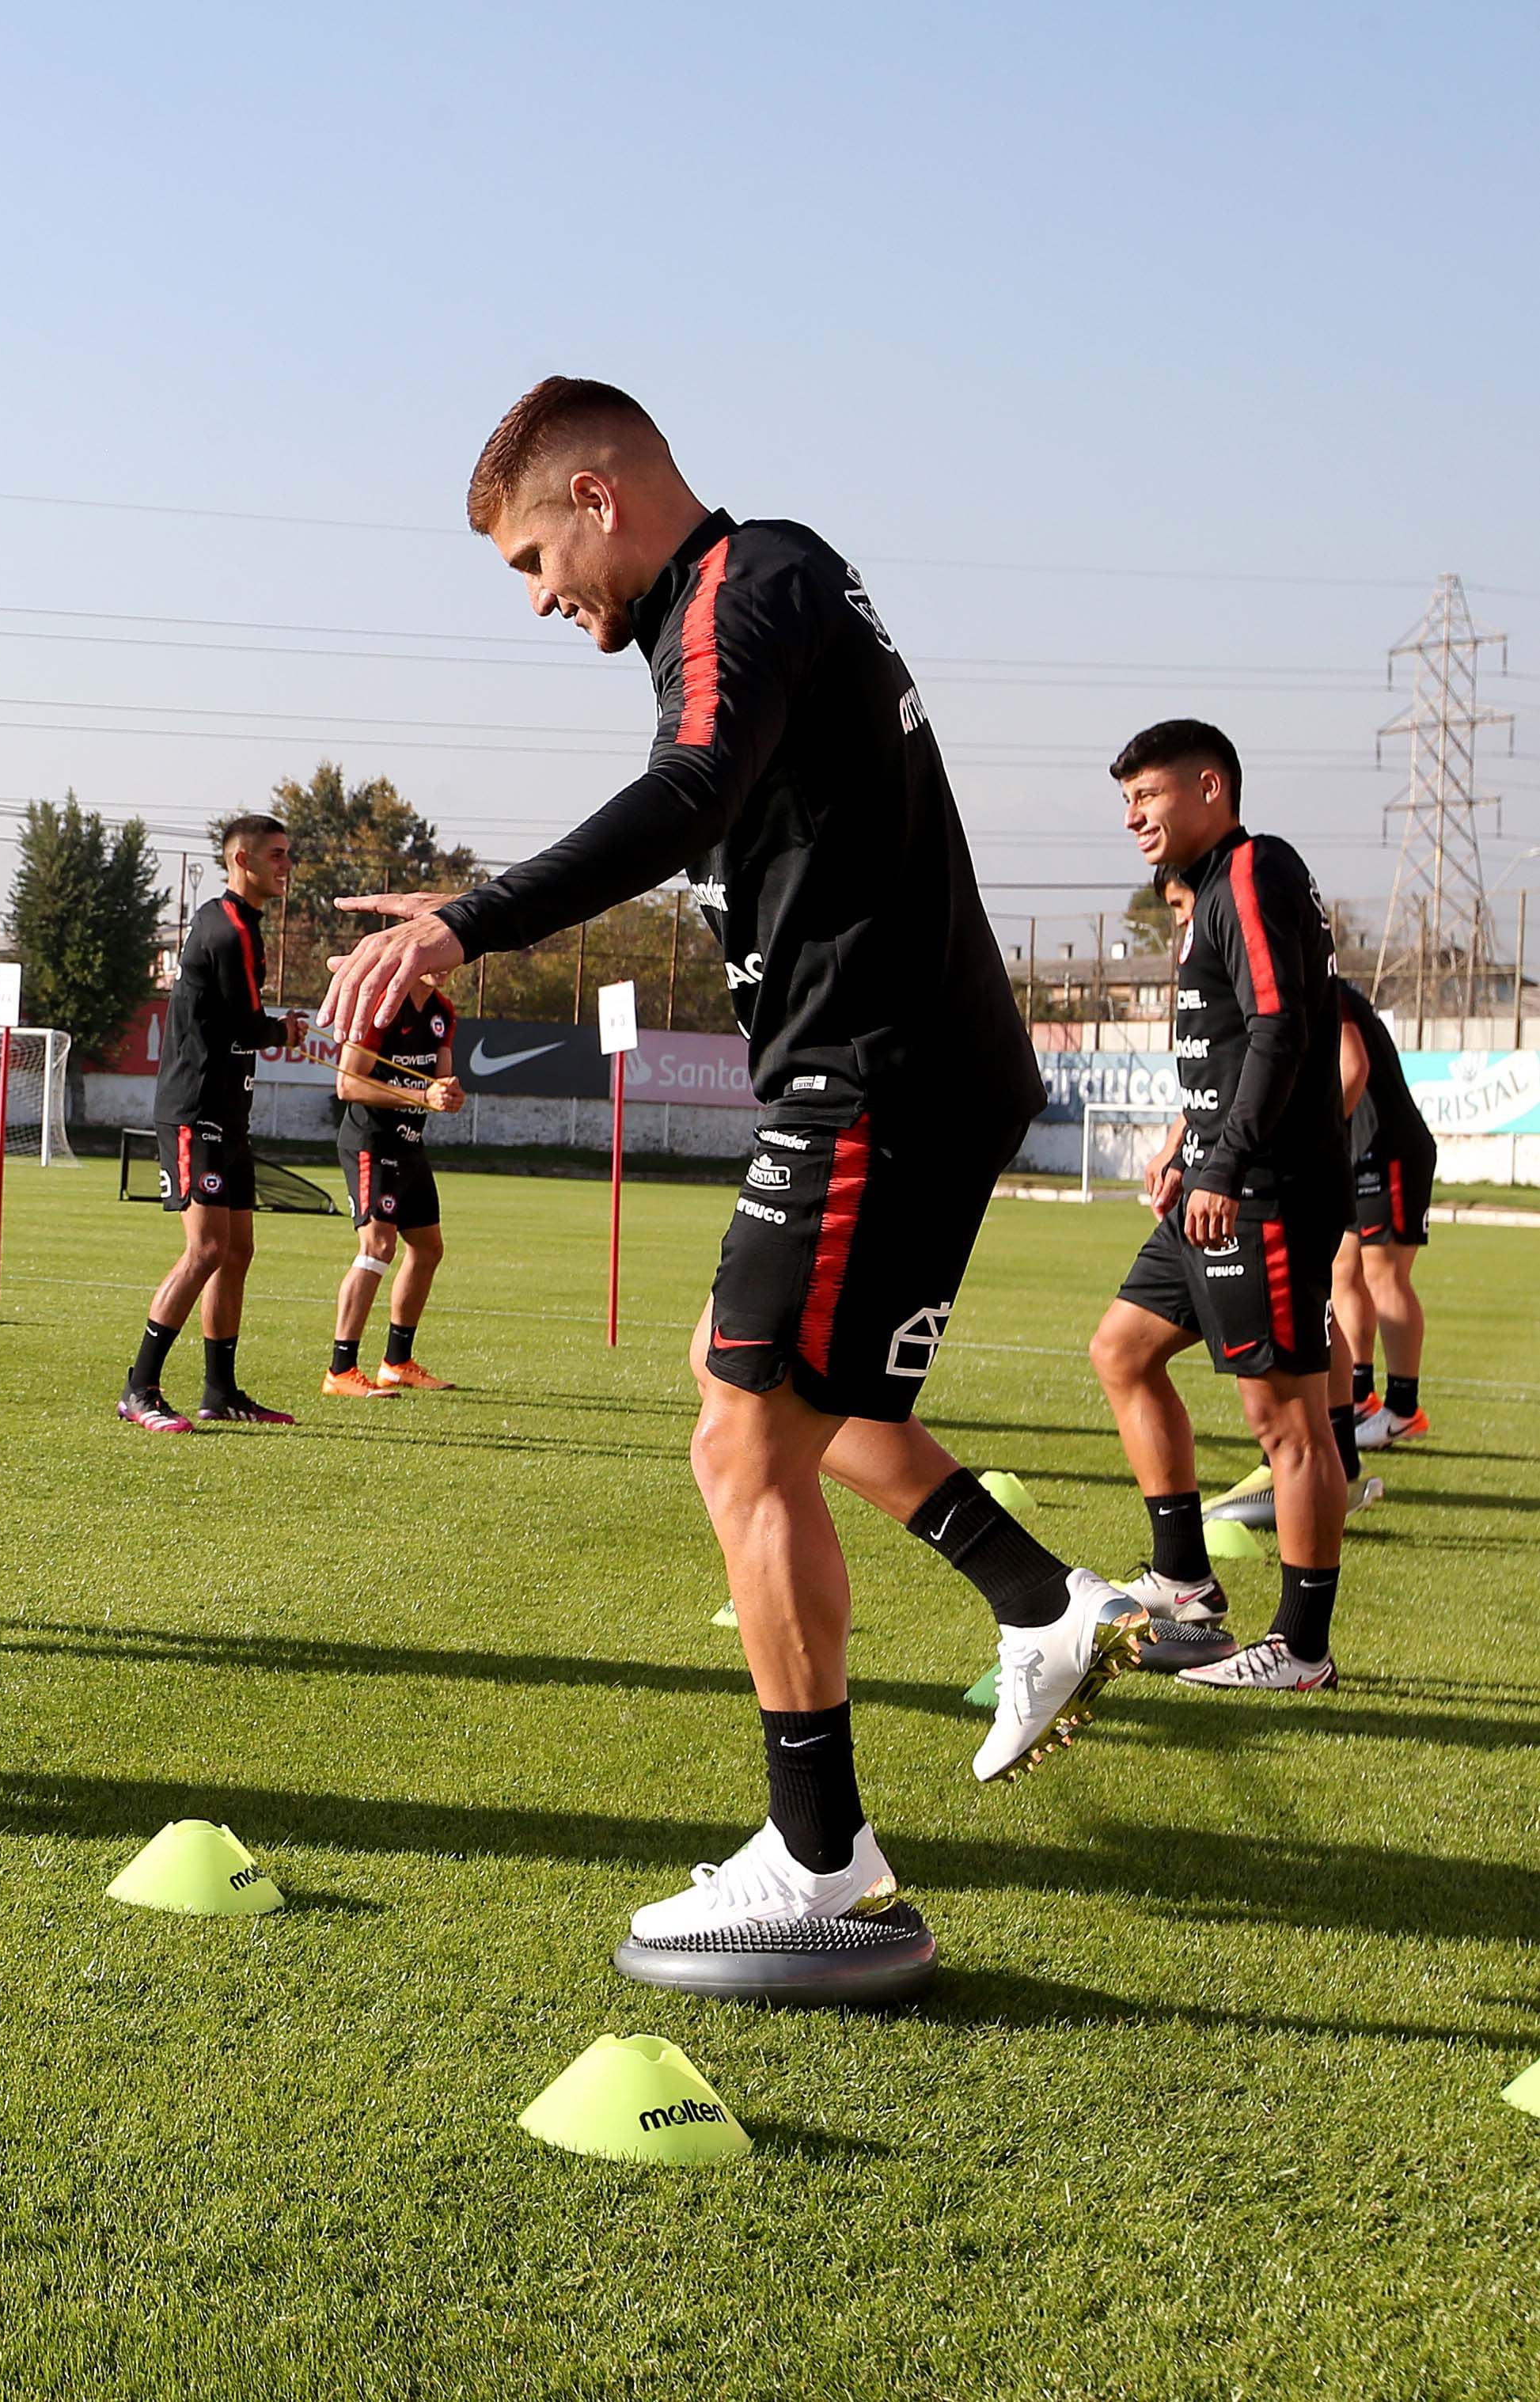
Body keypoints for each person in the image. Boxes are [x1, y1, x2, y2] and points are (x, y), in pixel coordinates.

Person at [324, 378, 1146, 1960]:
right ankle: (1042, 1598)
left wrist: (466, 918)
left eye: (525, 558)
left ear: (591, 491)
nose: (537, 598)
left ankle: (817, 1853)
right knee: (757, 1386)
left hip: (870, 1079)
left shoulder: (739, 583)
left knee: (737, 1447)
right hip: (890, 1071)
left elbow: (688, 788)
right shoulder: (745, 598)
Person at [1087, 721, 1353, 1694]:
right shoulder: (1206, 892)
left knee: (1284, 1421)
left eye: (1146, 795)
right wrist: (1178, 1145)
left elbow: (1282, 1030)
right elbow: (1232, 1044)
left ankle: (1301, 1647)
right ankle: (1184, 1586)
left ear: (1209, 786)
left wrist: (1224, 1166)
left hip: (1261, 1194)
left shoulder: (1249, 869)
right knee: (1121, 1349)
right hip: (1210, 1185)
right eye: (1124, 801)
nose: (1132, 816)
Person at [124, 813, 298, 1431]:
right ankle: (138, 1388)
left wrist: (277, 1029)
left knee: (237, 1249)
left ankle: (219, 1390)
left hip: (229, 1115)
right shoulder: (229, 929)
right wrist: (286, 1030)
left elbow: (233, 1022)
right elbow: (252, 1026)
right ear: (241, 861)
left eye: (287, 855)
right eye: (275, 855)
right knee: (205, 1249)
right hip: (195, 1113)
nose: (285, 865)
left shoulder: (238, 923)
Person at [321, 975, 467, 1398]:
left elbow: (441, 1080)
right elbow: (347, 1084)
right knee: (378, 1248)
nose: (443, 964)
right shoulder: (381, 1005)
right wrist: (422, 1098)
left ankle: (397, 1363)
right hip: (371, 1141)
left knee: (428, 1248)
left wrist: (448, 1094)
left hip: (409, 1143)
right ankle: (341, 1370)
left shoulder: (442, 1011)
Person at [1330, 973, 1436, 1450]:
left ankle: (1403, 1409)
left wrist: (1322, 1133)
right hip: (1359, 1152)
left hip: (1386, 1149)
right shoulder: (1315, 989)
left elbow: (1353, 1069)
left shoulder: (1323, 991)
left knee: (1384, 1274)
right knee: (1344, 1270)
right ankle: (1359, 1396)